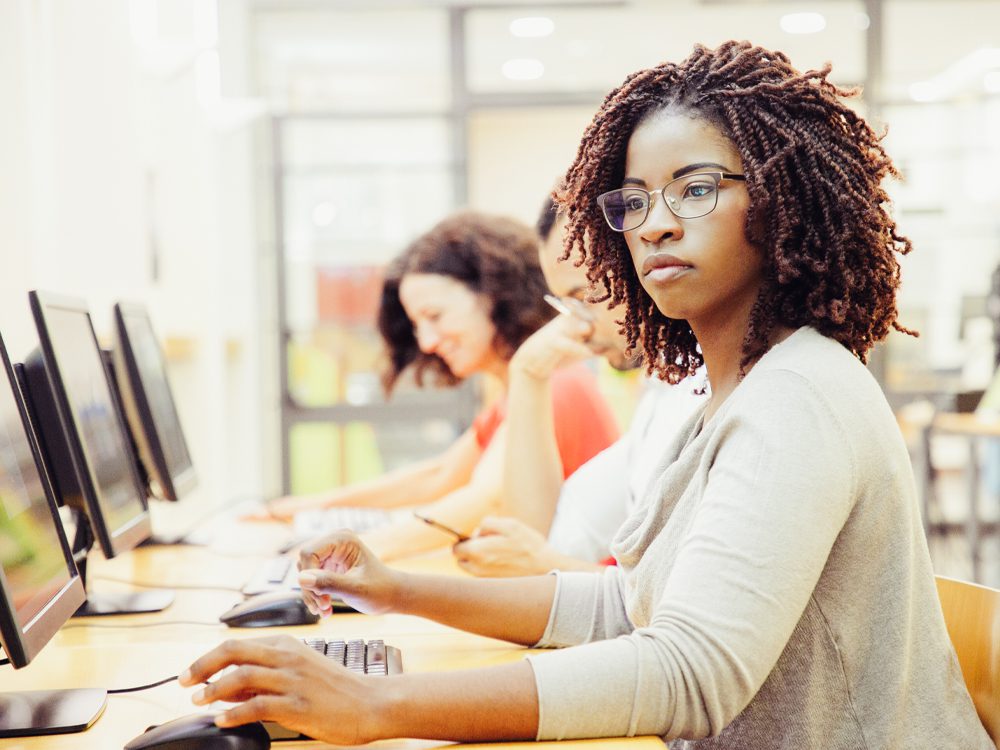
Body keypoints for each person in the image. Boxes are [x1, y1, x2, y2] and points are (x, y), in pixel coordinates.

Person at [180, 42, 993, 748]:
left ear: (784, 200)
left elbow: (690, 671)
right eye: (633, 201)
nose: (654, 224)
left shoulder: (799, 397)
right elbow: (631, 606)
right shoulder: (725, 392)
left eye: (696, 188)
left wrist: (378, 702)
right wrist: (397, 589)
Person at [265, 211, 619, 560]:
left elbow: (486, 499)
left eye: (434, 317)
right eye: (418, 325)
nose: (427, 342)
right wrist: (305, 507)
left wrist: (353, 551)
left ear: (494, 294)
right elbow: (439, 475)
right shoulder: (519, 390)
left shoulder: (554, 383)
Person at [453, 198, 705, 576]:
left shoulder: (708, 391)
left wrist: (544, 563)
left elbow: (686, 600)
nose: (578, 327)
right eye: (565, 305)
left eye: (584, 297)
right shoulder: (663, 392)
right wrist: (528, 373)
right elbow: (546, 539)